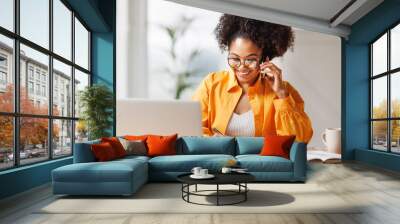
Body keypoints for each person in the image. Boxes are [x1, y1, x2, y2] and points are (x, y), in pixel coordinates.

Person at [192, 14, 313, 143]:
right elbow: (193, 132)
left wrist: (281, 95)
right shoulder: (211, 84)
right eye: (235, 58)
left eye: (250, 60)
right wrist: (214, 142)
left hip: (263, 163)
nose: (242, 67)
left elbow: (300, 140)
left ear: (265, 59)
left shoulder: (284, 91)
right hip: (219, 161)